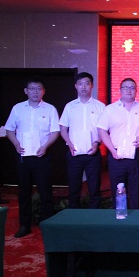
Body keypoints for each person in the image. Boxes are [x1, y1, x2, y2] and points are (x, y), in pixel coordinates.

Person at [5, 77, 60, 238]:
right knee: (24, 192)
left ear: (43, 91)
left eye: (39, 88)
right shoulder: (18, 108)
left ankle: (47, 224)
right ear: (26, 91)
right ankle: (24, 225)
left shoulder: (50, 109)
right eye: (32, 88)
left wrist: (45, 146)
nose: (35, 92)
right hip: (23, 155)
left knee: (45, 191)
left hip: (42, 155)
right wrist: (16, 143)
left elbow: (55, 132)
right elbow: (9, 129)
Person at [97, 78, 139, 209]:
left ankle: (136, 218)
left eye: (132, 88)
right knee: (118, 189)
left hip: (136, 154)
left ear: (136, 90)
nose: (129, 90)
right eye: (126, 87)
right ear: (120, 90)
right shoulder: (110, 109)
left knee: (136, 190)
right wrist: (112, 150)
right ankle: (119, 217)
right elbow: (102, 130)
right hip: (116, 154)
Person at [59, 72, 105, 209]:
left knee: (94, 188)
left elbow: (104, 130)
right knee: (74, 188)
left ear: (92, 86)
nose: (83, 87)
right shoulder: (70, 106)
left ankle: (94, 217)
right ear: (76, 86)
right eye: (80, 84)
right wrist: (69, 144)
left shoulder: (100, 106)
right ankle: (74, 216)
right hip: (74, 153)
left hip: (93, 153)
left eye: (86, 83)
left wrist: (97, 143)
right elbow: (63, 129)